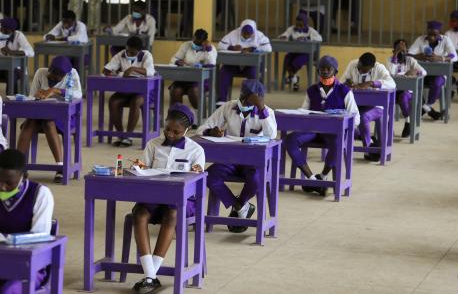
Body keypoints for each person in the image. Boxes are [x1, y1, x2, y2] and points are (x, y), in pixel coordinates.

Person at [130, 104, 204, 294]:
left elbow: (198, 180)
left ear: (187, 130)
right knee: (139, 213)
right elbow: (143, 169)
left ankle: (149, 276)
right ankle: (151, 275)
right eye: (168, 129)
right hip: (154, 195)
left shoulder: (196, 150)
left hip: (183, 201)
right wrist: (141, 167)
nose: (170, 134)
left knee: (173, 214)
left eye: (176, 132)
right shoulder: (153, 144)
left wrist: (196, 172)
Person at [197, 80, 277, 233]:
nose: (243, 101)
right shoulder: (228, 107)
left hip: (253, 163)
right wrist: (211, 131)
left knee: (256, 179)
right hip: (230, 160)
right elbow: (202, 128)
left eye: (248, 99)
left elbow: (271, 135)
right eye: (242, 97)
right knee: (209, 176)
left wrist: (261, 108)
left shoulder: (267, 112)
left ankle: (240, 205)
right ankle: (240, 206)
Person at [286, 55, 359, 195]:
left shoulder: (344, 91)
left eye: (328, 69)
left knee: (338, 143)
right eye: (321, 69)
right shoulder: (312, 90)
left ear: (335, 71)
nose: (324, 71)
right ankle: (312, 178)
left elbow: (356, 117)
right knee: (290, 140)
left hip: (332, 133)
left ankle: (323, 175)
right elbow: (304, 111)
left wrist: (344, 124)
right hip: (312, 131)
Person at [17, 56, 82, 183]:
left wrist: (55, 90)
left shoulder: (72, 74)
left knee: (48, 122)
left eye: (59, 76)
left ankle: (60, 167)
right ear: (49, 69)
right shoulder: (40, 73)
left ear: (64, 75)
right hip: (40, 113)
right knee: (28, 123)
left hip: (64, 117)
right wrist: (38, 95)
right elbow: (31, 96)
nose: (55, 78)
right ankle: (18, 166)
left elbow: (78, 94)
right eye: (52, 75)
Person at [0, 149, 54, 294]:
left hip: (28, 267)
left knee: (8, 291)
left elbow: (38, 239)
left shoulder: (40, 194)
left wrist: (6, 241)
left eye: (8, 183)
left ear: (22, 177)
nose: (2, 187)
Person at [340, 52, 396, 162]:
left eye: (364, 70)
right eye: (359, 68)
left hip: (377, 105)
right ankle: (368, 143)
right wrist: (346, 82)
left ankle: (368, 149)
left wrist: (371, 83)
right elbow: (341, 81)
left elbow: (392, 83)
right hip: (358, 104)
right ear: (359, 61)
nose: (360, 71)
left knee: (363, 117)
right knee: (347, 118)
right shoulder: (353, 64)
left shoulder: (379, 68)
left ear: (372, 67)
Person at [103, 36, 155, 148]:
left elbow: (150, 71)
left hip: (143, 92)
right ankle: (121, 135)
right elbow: (108, 68)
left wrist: (133, 69)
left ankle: (129, 136)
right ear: (127, 47)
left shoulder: (146, 55)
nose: (131, 54)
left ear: (139, 50)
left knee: (136, 102)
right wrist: (108, 71)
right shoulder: (121, 54)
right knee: (113, 101)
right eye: (129, 51)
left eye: (134, 53)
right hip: (126, 90)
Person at [408, 20, 458, 120]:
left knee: (437, 82)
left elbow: (454, 56)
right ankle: (428, 109)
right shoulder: (420, 39)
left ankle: (426, 107)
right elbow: (409, 54)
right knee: (413, 82)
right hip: (423, 74)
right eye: (429, 33)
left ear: (439, 32)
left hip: (439, 74)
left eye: (434, 34)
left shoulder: (445, 40)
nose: (431, 37)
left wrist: (440, 58)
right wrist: (419, 57)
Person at [217, 19, 272, 104]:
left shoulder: (259, 36)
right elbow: (220, 45)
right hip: (234, 65)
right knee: (224, 71)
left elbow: (268, 48)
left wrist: (252, 49)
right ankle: (221, 100)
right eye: (244, 33)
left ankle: (251, 101)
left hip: (250, 67)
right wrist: (232, 47)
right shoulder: (233, 34)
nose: (246, 36)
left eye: (248, 34)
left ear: (253, 32)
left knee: (253, 75)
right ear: (241, 30)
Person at [169, 29, 217, 121]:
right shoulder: (186, 45)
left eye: (198, 43)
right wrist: (177, 61)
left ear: (204, 42)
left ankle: (198, 117)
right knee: (175, 90)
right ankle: (178, 117)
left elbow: (212, 64)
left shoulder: (211, 49)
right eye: (194, 40)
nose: (194, 43)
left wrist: (208, 49)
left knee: (194, 91)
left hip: (201, 80)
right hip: (184, 78)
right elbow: (174, 58)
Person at [386, 39, 427, 138]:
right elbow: (390, 73)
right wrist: (395, 55)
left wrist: (415, 72)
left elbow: (424, 72)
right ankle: (388, 128)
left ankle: (408, 121)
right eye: (398, 49)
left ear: (407, 51)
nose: (401, 52)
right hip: (394, 92)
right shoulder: (389, 60)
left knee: (404, 96)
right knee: (390, 99)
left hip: (408, 92)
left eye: (403, 49)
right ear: (393, 50)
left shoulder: (411, 60)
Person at [279, 12, 322, 91]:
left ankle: (291, 78)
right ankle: (294, 78)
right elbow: (285, 34)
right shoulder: (292, 28)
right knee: (287, 58)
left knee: (298, 60)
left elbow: (319, 38)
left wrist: (307, 39)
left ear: (305, 23)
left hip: (306, 53)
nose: (298, 26)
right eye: (297, 24)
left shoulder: (310, 30)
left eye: (300, 24)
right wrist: (284, 36)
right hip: (295, 51)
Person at [0, 17, 34, 94]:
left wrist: (12, 52)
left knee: (11, 74)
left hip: (16, 69)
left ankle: (11, 99)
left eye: (4, 29)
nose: (1, 30)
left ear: (12, 30)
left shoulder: (18, 35)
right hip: (2, 67)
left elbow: (31, 52)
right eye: (1, 27)